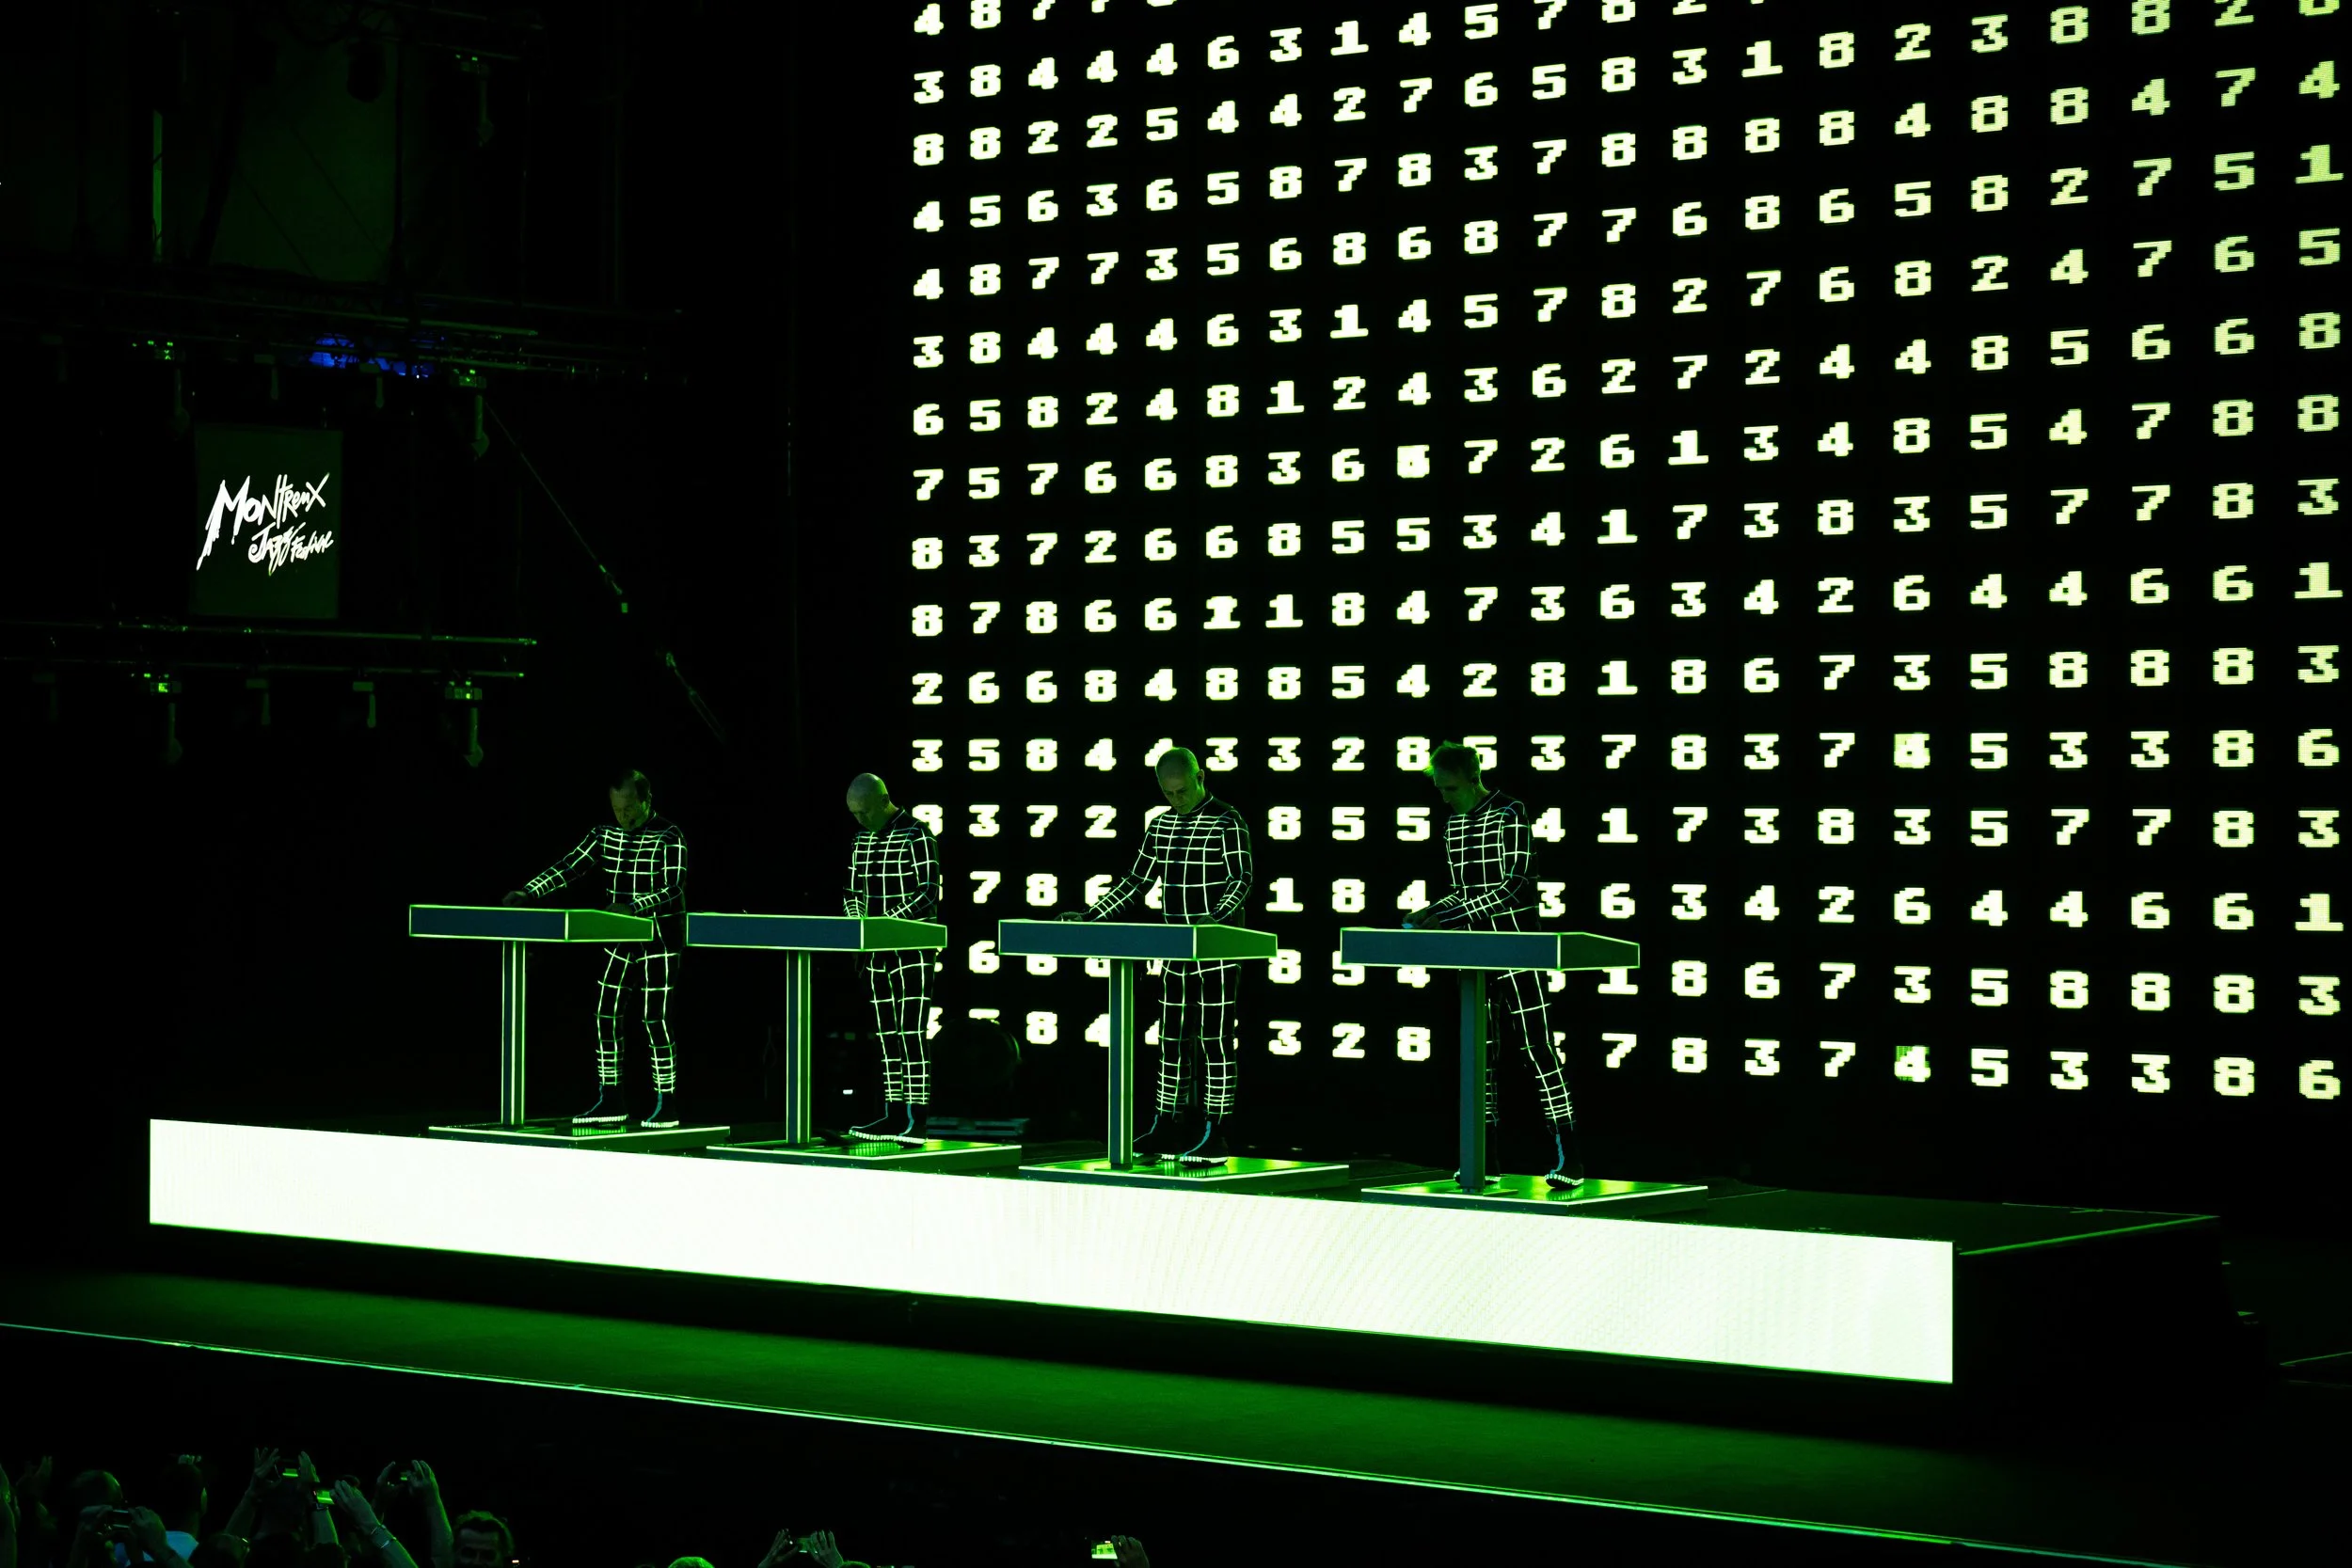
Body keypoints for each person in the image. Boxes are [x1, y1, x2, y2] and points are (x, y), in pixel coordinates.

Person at [1059, 748, 1254, 1164]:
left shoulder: (1227, 820)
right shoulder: (1161, 825)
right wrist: (1092, 917)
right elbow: (1135, 882)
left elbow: (1242, 879)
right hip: (1173, 950)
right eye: (1168, 794)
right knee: (1170, 1039)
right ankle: (1167, 1122)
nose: (1176, 800)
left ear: (1201, 776)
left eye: (1182, 791)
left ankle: (1214, 1129)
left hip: (1216, 949)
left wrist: (1215, 921)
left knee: (1215, 1040)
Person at [1404, 743, 1585, 1189]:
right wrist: (1427, 914)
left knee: (1537, 1048)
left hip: (1518, 948)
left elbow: (1518, 887)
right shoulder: (1453, 825)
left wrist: (1447, 916)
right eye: (1438, 789)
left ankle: (1570, 1155)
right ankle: (1483, 1157)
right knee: (1479, 1057)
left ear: (1470, 778)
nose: (1443, 797)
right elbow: (1463, 890)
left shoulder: (1509, 813)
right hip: (1474, 954)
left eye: (1449, 788)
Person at [502, 768, 689, 1130]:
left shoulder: (670, 836)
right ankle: (611, 1098)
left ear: (647, 800)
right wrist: (530, 891)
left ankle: (666, 1102)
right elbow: (571, 865)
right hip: (618, 940)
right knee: (606, 1016)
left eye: (631, 808)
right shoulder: (604, 835)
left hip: (659, 940)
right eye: (618, 809)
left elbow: (673, 889)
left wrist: (633, 908)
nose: (625, 816)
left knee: (655, 1019)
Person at [841, 773, 943, 1143]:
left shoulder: (918, 835)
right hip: (875, 951)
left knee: (911, 1031)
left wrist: (885, 925)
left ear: (884, 801)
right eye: (854, 814)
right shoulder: (860, 840)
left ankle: (917, 1116)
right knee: (886, 1034)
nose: (860, 820)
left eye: (865, 812)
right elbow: (852, 890)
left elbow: (928, 892)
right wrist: (858, 927)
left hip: (912, 948)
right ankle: (893, 1111)